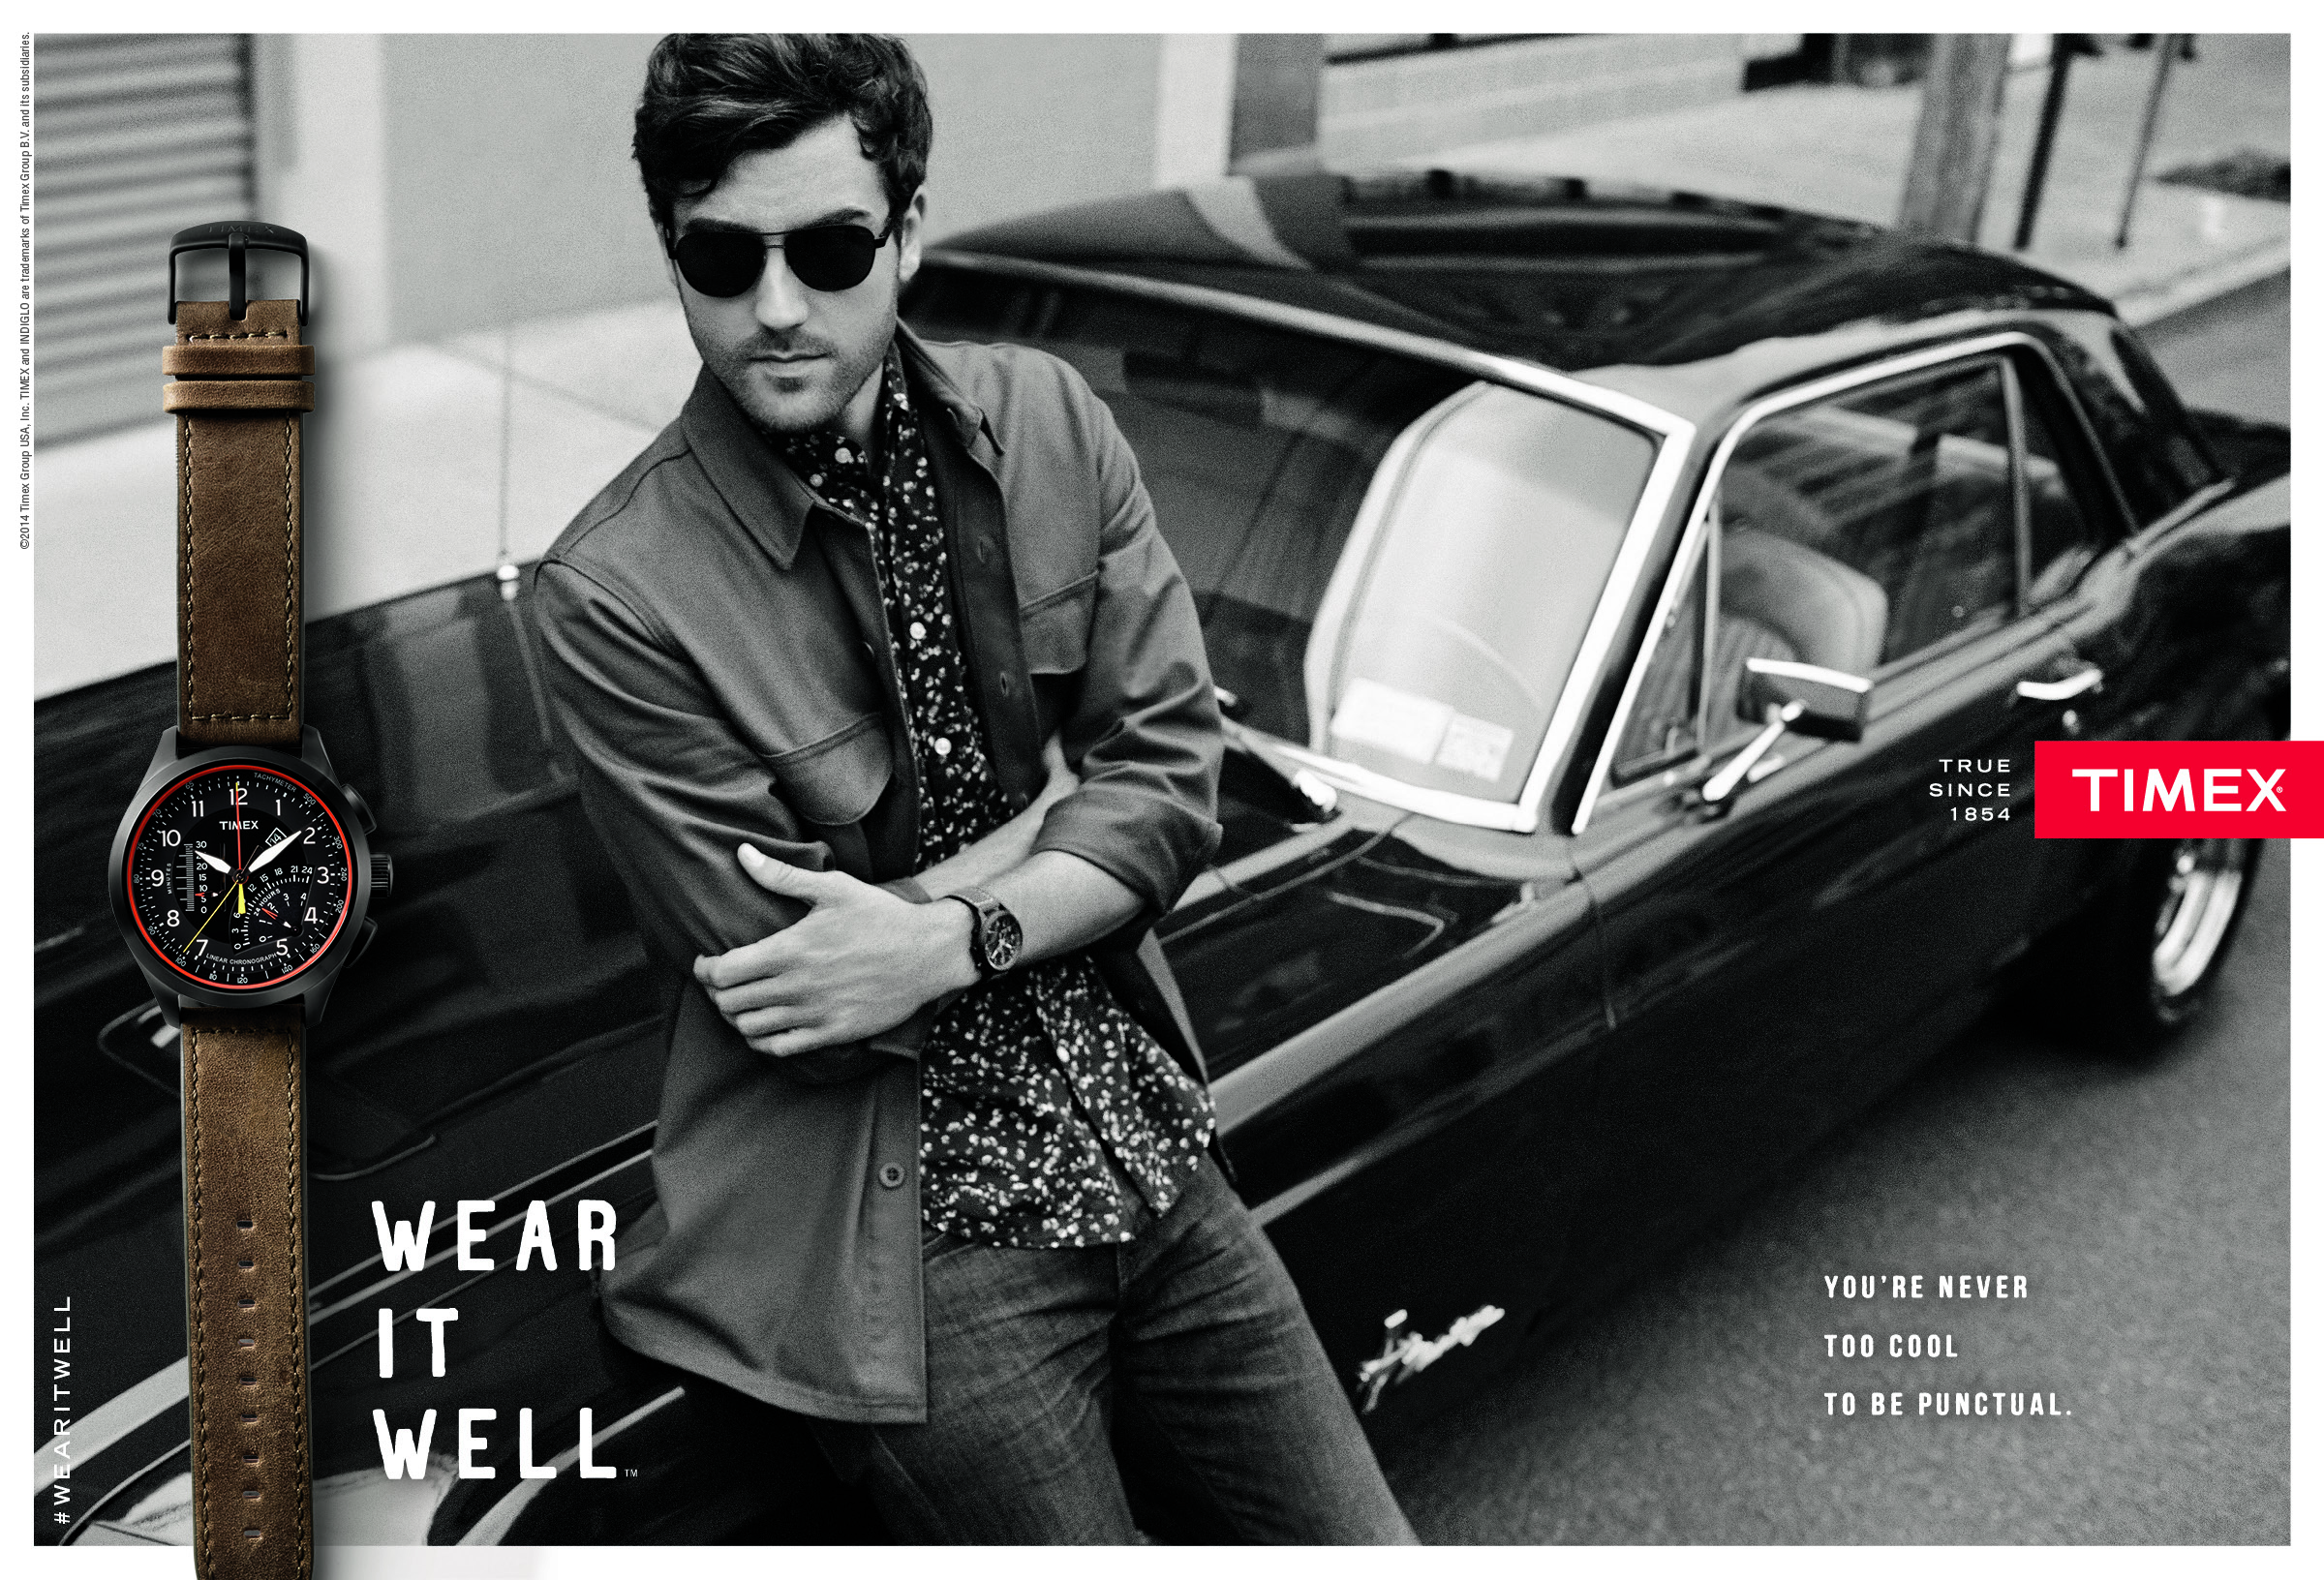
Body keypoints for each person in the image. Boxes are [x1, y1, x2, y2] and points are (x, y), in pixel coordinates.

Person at [529, 32, 1416, 1544]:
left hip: (1144, 1140)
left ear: (908, 231)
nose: (777, 307)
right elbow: (800, 998)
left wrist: (945, 935)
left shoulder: (1050, 422)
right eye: (723, 258)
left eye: (829, 248)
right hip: (921, 1260)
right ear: (673, 251)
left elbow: (1174, 783)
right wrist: (1059, 820)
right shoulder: (613, 595)